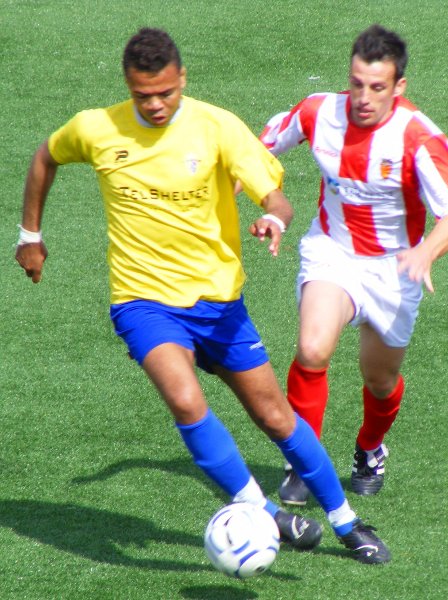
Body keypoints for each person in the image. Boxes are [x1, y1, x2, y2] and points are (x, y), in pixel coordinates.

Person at [15, 28, 391, 564]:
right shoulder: (96, 128)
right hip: (143, 301)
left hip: (219, 306)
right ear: (128, 86)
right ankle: (264, 512)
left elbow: (277, 199)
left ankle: (346, 522)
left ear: (182, 79)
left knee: (276, 417)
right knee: (186, 401)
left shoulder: (217, 127)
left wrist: (273, 219)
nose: (155, 104)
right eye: (143, 95)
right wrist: (29, 235)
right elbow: (45, 157)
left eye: (165, 92)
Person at [259, 24, 448, 505]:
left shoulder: (417, 136)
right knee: (312, 348)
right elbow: (255, 151)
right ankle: (304, 463)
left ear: (399, 86)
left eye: (377, 87)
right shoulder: (319, 111)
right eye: (356, 83)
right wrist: (259, 197)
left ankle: (370, 447)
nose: (363, 97)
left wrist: (425, 252)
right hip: (332, 251)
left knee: (380, 381)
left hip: (393, 269)